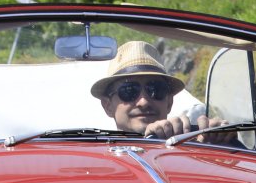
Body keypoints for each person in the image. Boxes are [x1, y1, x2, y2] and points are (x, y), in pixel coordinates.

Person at [91, 40, 219, 140]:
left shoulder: (193, 147)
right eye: (129, 91)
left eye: (156, 90)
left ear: (169, 102)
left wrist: (216, 142)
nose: (143, 102)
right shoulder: (96, 160)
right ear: (107, 106)